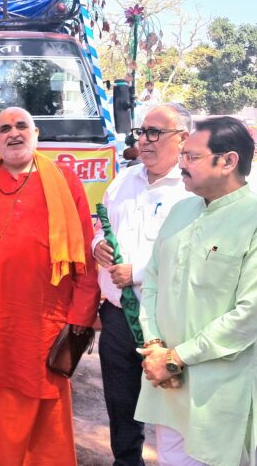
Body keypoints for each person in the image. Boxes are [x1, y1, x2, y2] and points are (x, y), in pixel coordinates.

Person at [0, 107, 100, 465]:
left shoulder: (64, 181)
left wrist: (81, 317)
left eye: (22, 126)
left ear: (36, 134)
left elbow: (84, 254)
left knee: (40, 396)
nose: (14, 133)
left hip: (42, 319)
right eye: (5, 128)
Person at [135, 116, 256, 466]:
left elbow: (249, 314)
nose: (182, 164)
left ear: (228, 161)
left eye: (192, 157)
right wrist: (155, 345)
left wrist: (177, 358)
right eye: (182, 156)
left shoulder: (252, 220)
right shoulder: (181, 211)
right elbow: (153, 281)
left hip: (218, 391)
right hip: (169, 386)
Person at [93, 103, 194, 466]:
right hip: (119, 315)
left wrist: (137, 272)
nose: (145, 141)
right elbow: (99, 227)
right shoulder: (123, 181)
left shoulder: (191, 189)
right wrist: (97, 245)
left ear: (183, 138)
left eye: (155, 133)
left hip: (168, 320)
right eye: (141, 132)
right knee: (121, 404)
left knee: (172, 406)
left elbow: (192, 253)